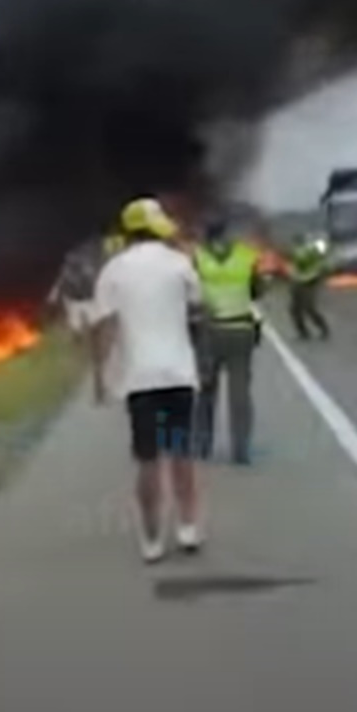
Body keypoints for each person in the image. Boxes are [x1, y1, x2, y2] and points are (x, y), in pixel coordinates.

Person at [90, 197, 203, 564]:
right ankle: (188, 528)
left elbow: (104, 328)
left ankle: (152, 539)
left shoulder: (113, 271)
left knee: (148, 459)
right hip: (179, 375)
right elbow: (198, 306)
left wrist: (100, 377)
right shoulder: (179, 263)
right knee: (181, 454)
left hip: (140, 381)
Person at [192, 215, 263, 465]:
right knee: (240, 392)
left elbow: (190, 294)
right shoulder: (246, 256)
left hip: (209, 330)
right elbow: (257, 290)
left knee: (205, 391)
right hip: (241, 328)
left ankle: (202, 445)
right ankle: (241, 449)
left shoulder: (197, 258)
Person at [287, 232, 332, 340]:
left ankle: (324, 329)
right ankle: (303, 332)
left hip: (310, 281)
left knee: (309, 308)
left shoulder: (310, 249)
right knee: (294, 309)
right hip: (298, 281)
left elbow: (324, 258)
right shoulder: (296, 250)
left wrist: (322, 272)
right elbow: (295, 266)